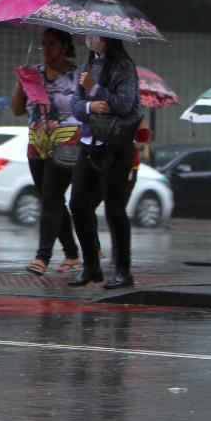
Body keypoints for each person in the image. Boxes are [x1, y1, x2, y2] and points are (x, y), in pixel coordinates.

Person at [67, 35, 142, 290]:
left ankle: (123, 271)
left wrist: (96, 89)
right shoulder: (86, 65)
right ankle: (91, 266)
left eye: (95, 36)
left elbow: (124, 104)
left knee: (115, 210)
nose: (90, 39)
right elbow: (74, 105)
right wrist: (90, 106)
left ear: (108, 39)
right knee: (77, 204)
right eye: (88, 35)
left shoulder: (124, 67)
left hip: (115, 146)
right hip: (89, 145)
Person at [12, 28, 83, 276]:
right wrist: (23, 84)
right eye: (44, 45)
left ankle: (42, 257)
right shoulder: (34, 74)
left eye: (51, 44)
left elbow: (87, 108)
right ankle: (72, 254)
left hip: (67, 140)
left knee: (52, 195)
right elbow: (17, 110)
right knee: (50, 198)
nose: (46, 50)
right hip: (38, 141)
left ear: (65, 47)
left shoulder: (78, 76)